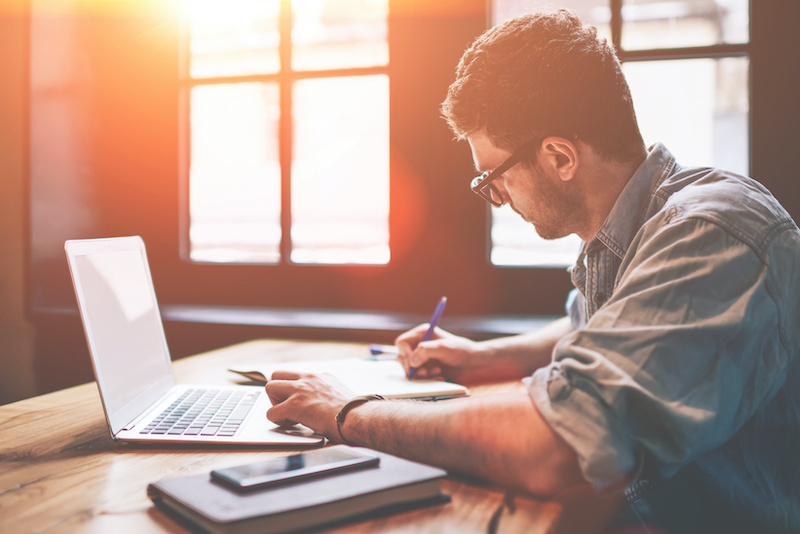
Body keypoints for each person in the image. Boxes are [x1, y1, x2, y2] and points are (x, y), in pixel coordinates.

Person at [265, 8, 800, 533]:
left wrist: (347, 411)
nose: (495, 198)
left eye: (492, 176)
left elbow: (552, 447)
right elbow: (600, 327)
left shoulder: (712, 233)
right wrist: (482, 358)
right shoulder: (638, 229)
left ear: (561, 157)